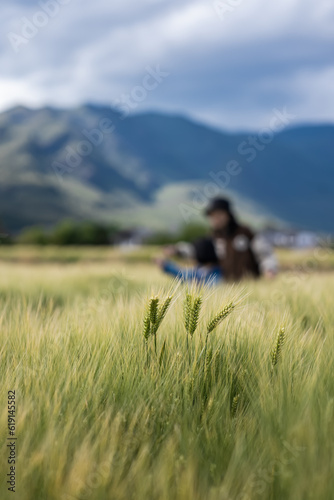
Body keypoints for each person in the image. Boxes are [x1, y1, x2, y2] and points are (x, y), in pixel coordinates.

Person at [156, 197, 278, 283]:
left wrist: (269, 269)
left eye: (218, 215)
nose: (215, 219)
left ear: (228, 215)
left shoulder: (246, 233)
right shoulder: (213, 237)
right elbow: (196, 250)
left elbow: (264, 253)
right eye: (212, 216)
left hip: (249, 286)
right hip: (226, 286)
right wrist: (176, 250)